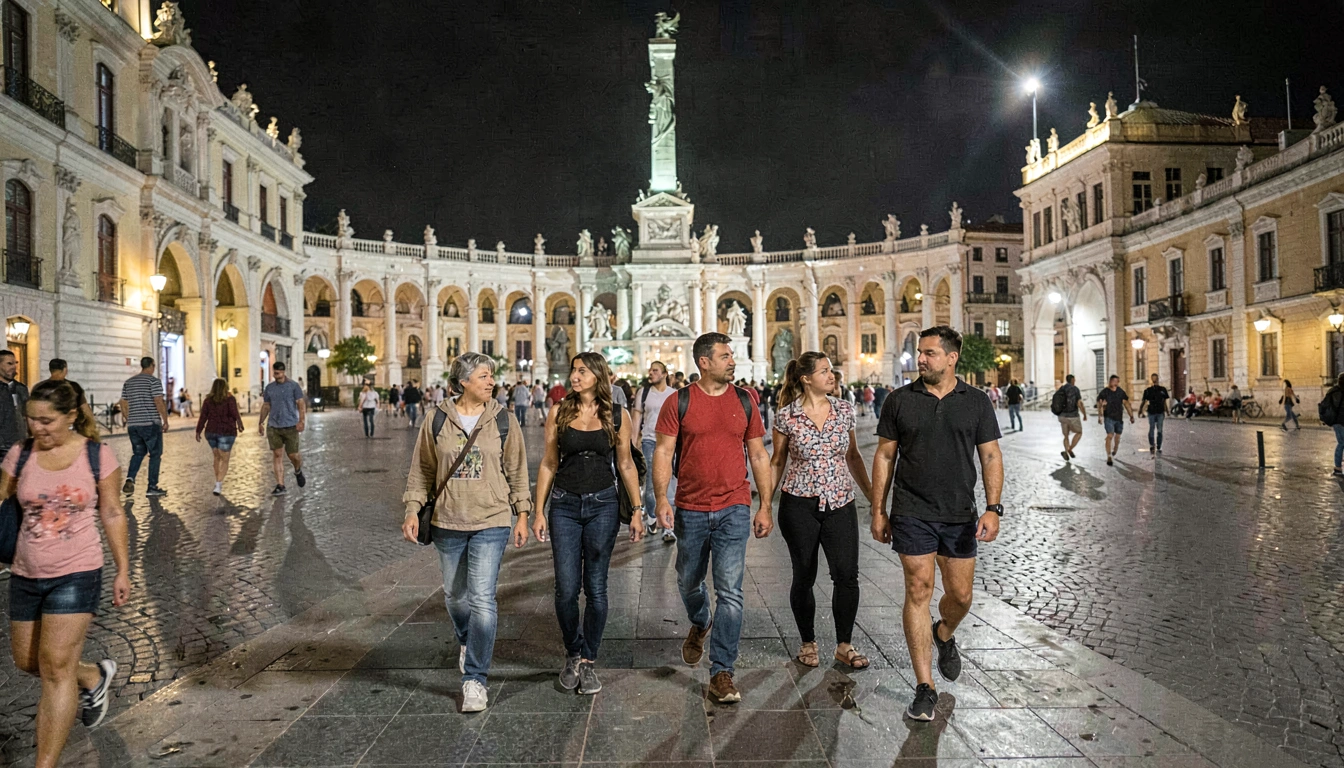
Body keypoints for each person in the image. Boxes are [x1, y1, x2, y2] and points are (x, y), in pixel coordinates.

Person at [868, 326, 1003, 721]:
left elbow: (991, 456)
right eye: (919, 352)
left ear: (951, 357)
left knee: (960, 596)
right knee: (918, 588)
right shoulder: (899, 400)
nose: (920, 358)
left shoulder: (976, 402)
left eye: (928, 353)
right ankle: (924, 687)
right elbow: (884, 457)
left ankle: (943, 633)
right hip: (912, 511)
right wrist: (878, 509)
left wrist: (993, 508)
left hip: (960, 512)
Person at [2, 380, 130, 765]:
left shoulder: (96, 456)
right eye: (31, 420)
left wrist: (123, 569)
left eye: (47, 420)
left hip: (77, 573)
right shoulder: (20, 454)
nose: (37, 428)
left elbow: (111, 511)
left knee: (56, 669)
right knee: (28, 662)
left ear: (71, 416)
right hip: (25, 573)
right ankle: (92, 677)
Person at [401, 352, 532, 713]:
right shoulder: (437, 419)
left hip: (492, 518)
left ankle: (475, 679)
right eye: (484, 376)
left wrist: (522, 513)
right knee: (455, 597)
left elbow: (518, 470)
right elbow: (422, 470)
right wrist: (413, 508)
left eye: (492, 376)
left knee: (483, 600)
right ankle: (466, 640)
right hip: (447, 520)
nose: (491, 382)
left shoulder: (504, 420)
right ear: (463, 383)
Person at [653, 333, 772, 705]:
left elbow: (758, 454)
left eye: (731, 355)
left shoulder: (745, 400)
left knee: (731, 592)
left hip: (734, 505)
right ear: (704, 362)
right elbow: (662, 451)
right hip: (690, 506)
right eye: (725, 356)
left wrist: (765, 502)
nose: (732, 361)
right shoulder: (679, 401)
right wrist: (661, 498)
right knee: (688, 582)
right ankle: (701, 621)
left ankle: (722, 670)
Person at [532, 353, 645, 694]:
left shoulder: (617, 415)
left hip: (603, 505)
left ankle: (589, 660)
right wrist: (539, 510)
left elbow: (625, 464)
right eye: (573, 370)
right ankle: (572, 651)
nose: (574, 376)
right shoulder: (559, 411)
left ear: (597, 376)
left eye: (582, 371)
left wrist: (638, 509)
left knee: (596, 588)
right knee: (566, 590)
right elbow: (549, 463)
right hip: (564, 504)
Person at [768, 352, 873, 670]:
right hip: (799, 504)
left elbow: (853, 456)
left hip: (841, 502)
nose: (832, 375)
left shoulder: (844, 410)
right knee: (804, 576)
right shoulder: (786, 416)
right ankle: (808, 643)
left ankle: (844, 644)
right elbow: (778, 461)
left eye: (832, 370)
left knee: (847, 576)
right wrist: (762, 506)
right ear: (806, 379)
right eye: (825, 371)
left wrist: (874, 498)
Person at [633, 362, 678, 543]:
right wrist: (633, 441)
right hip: (650, 441)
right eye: (650, 370)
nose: (650, 373)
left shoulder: (674, 395)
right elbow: (637, 416)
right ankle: (652, 514)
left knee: (668, 482)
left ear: (665, 374)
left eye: (655, 370)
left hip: (670, 441)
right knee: (653, 482)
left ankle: (667, 527)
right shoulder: (644, 393)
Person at [118, 357, 169, 497]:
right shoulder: (154, 381)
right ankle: (152, 486)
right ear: (152, 366)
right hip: (150, 424)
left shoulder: (128, 382)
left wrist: (129, 418)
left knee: (138, 453)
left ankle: (130, 478)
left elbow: (123, 402)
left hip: (134, 425)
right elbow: (158, 401)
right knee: (155, 454)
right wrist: (165, 420)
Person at [258, 362, 306, 496]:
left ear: (283, 372)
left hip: (291, 425)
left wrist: (301, 421)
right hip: (274, 426)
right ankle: (280, 485)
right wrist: (260, 422)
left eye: (278, 373)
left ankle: (297, 470)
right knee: (277, 454)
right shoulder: (269, 388)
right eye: (274, 373)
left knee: (293, 455)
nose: (276, 375)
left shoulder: (293, 386)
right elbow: (266, 405)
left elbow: (301, 404)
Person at [195, 378, 244, 496]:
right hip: (226, 432)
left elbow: (203, 416)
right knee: (225, 459)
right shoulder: (230, 399)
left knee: (217, 457)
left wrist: (198, 431)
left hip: (211, 432)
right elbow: (234, 413)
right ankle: (218, 484)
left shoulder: (208, 400)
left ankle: (217, 483)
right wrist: (240, 424)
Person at [1095, 375, 1134, 466]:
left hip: (1119, 418)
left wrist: (1131, 415)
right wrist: (1100, 416)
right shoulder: (1105, 392)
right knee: (1109, 435)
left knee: (1118, 436)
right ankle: (1109, 456)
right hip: (1109, 417)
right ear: (1110, 381)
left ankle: (1115, 448)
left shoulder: (1120, 392)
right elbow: (1099, 404)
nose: (1116, 383)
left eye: (1117, 381)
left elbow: (1126, 404)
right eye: (1114, 381)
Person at [42, 359, 93, 427]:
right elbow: (85, 409)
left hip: (48, 428)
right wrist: (92, 426)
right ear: (65, 370)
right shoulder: (74, 387)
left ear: (50, 370)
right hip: (69, 428)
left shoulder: (39, 387)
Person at [1, 351, 32, 458]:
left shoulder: (21, 389)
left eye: (16, 363)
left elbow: (27, 414)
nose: (14, 367)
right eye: (9, 364)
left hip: (20, 446)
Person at [1055, 374, 1086, 461]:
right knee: (1079, 432)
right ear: (1072, 380)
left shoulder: (1061, 389)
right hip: (1073, 416)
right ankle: (1070, 449)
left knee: (1066, 436)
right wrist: (1084, 414)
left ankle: (1065, 450)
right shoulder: (1075, 389)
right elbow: (1079, 403)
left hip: (1062, 416)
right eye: (1074, 379)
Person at [1138, 373, 1170, 454]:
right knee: (1151, 428)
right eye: (1153, 377)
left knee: (1159, 430)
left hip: (1160, 412)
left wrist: (1167, 411)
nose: (1154, 379)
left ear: (1158, 379)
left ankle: (1159, 445)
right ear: (1152, 379)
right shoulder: (1148, 391)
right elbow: (1144, 401)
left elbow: (1164, 402)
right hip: (1151, 412)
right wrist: (1140, 410)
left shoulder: (1163, 390)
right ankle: (1152, 445)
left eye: (1156, 377)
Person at [1321, 373, 1344, 476]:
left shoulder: (1332, 391)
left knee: (1341, 443)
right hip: (1341, 421)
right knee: (1342, 443)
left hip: (1336, 422)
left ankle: (1338, 467)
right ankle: (1338, 467)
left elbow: (1324, 405)